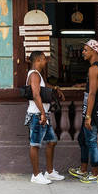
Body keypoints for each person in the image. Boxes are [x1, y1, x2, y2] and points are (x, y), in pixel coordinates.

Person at [68, 39, 98, 184]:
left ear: (94, 51)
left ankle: (95, 173)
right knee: (82, 139)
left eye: (85, 50)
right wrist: (83, 84)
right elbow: (94, 85)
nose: (83, 52)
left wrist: (88, 116)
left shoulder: (93, 68)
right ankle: (83, 170)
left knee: (91, 141)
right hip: (91, 110)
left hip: (93, 111)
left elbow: (92, 94)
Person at [25, 51, 65, 185]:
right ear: (39, 60)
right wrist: (43, 113)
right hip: (37, 115)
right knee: (35, 144)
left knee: (52, 141)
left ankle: (49, 172)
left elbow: (44, 87)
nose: (46, 61)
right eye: (44, 59)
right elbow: (36, 95)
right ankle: (36, 175)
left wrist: (55, 87)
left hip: (41, 115)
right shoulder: (35, 75)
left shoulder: (37, 75)